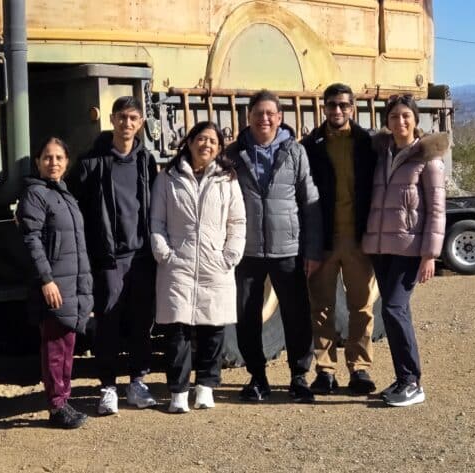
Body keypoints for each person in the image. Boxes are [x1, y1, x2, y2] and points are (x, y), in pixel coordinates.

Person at [226, 90, 323, 403]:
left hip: (288, 250)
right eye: (258, 113)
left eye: (270, 113)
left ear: (280, 118)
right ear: (249, 117)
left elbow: (309, 202)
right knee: (247, 317)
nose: (264, 119)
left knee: (297, 316)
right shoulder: (234, 154)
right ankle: (258, 377)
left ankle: (299, 377)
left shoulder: (295, 152)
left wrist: (312, 250)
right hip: (247, 251)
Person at [67, 96, 159, 415]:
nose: (127, 123)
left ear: (141, 123)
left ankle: (137, 382)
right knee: (108, 322)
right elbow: (71, 201)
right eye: (121, 117)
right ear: (112, 120)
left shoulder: (146, 161)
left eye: (133, 118)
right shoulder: (92, 163)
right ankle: (108, 386)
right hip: (109, 258)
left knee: (141, 322)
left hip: (142, 256)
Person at [149, 121, 246, 413]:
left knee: (213, 330)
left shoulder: (227, 179)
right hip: (178, 264)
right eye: (201, 139)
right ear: (189, 142)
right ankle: (178, 391)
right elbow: (157, 221)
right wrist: (164, 253)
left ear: (219, 148)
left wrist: (229, 255)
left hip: (215, 264)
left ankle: (205, 386)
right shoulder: (168, 178)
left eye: (213, 141)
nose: (207, 145)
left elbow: (237, 221)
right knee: (177, 331)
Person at [362, 94, 447, 407]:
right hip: (381, 247)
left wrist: (430, 255)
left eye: (406, 116)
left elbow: (436, 209)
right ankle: (402, 378)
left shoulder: (427, 158)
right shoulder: (381, 154)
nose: (400, 121)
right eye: (394, 116)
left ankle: (412, 382)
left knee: (393, 309)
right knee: (396, 311)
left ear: (415, 120)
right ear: (387, 121)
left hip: (409, 248)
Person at [301, 83, 379, 395]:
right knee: (321, 308)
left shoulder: (367, 143)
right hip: (324, 240)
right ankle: (325, 371)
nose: (337, 110)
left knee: (361, 307)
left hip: (357, 239)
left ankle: (359, 369)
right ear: (324, 108)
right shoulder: (311, 145)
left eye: (343, 105)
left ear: (352, 108)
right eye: (332, 105)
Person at [16, 137, 94, 428]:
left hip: (73, 282)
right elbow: (32, 240)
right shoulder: (35, 194)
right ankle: (57, 405)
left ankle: (64, 401)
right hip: (55, 284)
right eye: (47, 157)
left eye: (59, 157)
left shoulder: (64, 194)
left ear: (67, 163)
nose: (53, 163)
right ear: (37, 162)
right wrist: (46, 280)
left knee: (67, 344)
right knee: (55, 347)